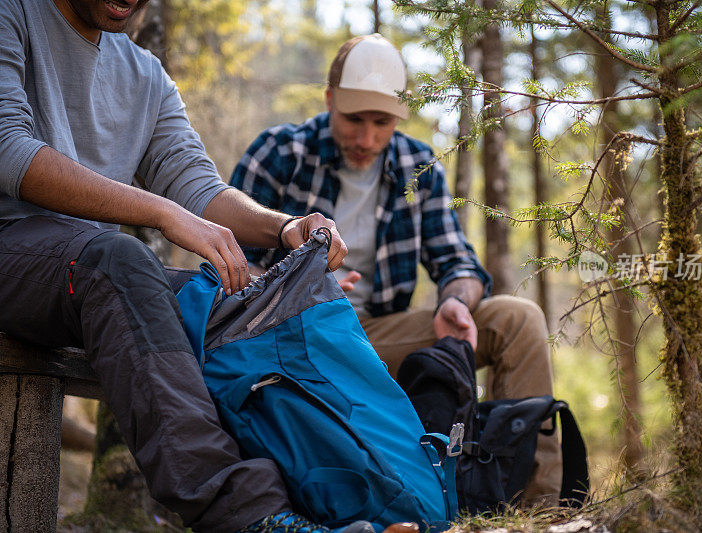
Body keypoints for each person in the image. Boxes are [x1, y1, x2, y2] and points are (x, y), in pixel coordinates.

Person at [0, 1, 383, 532]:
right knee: (119, 260)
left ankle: (342, 505)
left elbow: (196, 183)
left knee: (235, 302)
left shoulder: (144, 75)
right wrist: (160, 212)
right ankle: (251, 519)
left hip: (83, 269)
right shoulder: (13, 14)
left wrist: (284, 226)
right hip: (16, 250)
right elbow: (8, 149)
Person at [231, 34, 562, 505]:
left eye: (382, 122)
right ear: (329, 101)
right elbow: (227, 270)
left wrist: (455, 299)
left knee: (517, 319)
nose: (367, 139)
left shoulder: (417, 165)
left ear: (399, 116)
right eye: (353, 120)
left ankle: (534, 507)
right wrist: (302, 289)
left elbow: (459, 262)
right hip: (291, 340)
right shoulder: (279, 154)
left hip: (374, 339)